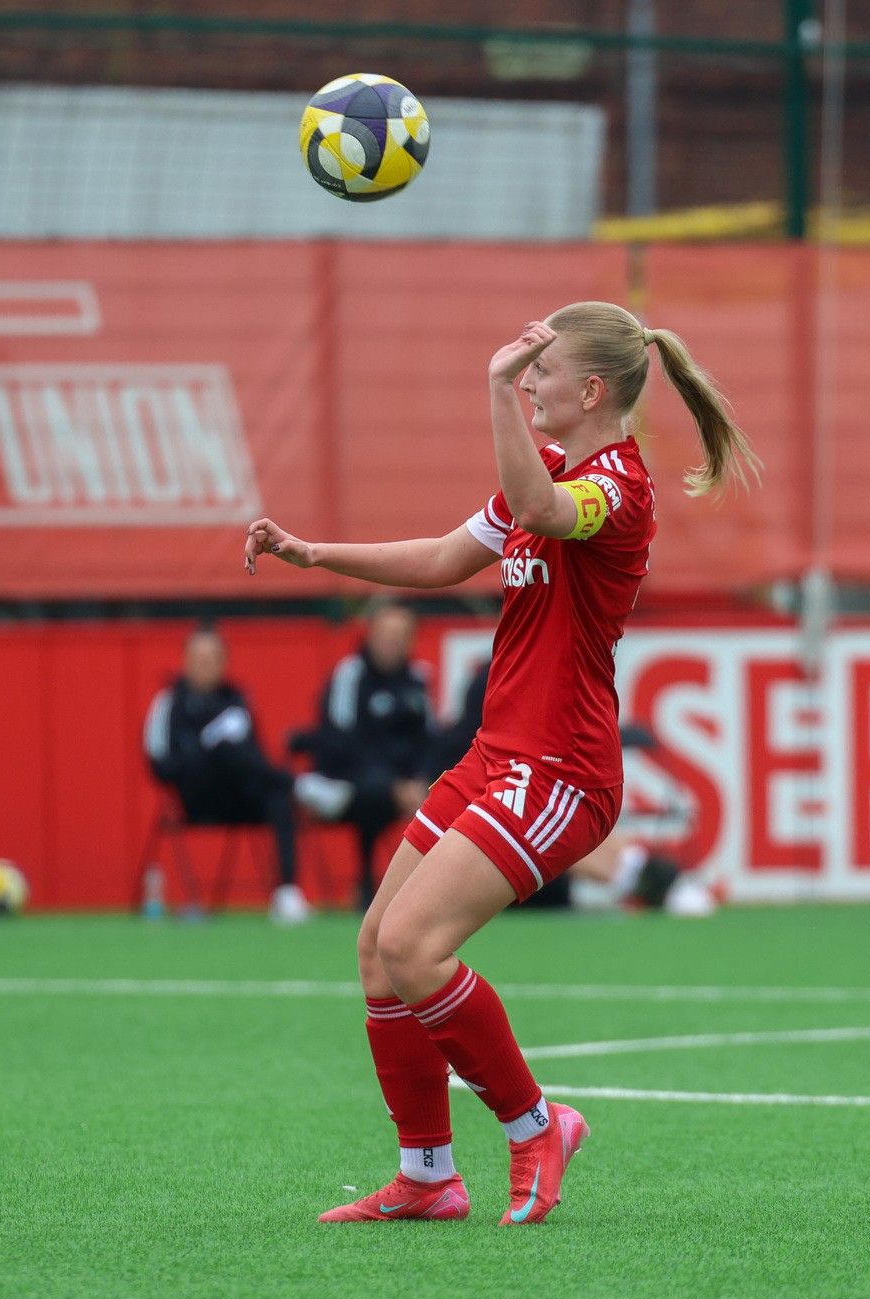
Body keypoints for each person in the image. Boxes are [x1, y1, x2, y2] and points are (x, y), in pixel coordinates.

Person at [245, 301, 757, 1224]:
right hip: (495, 755)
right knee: (376, 950)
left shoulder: (616, 489)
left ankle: (536, 1126)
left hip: (562, 771)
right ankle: (429, 1174)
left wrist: (490, 390)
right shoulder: (554, 464)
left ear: (591, 391)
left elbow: (539, 511)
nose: (528, 382)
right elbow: (446, 556)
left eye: (542, 371)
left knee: (414, 946)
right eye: (522, 370)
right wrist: (313, 553)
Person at [436, 658, 717, 916]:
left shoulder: (537, 736)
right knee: (548, 826)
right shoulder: (468, 745)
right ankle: (642, 879)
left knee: (568, 820)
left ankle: (642, 874)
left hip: (541, 875)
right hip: (491, 863)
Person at [142, 624, 311, 925]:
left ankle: (286, 891)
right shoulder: (169, 703)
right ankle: (300, 784)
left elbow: (253, 756)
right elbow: (159, 766)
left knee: (275, 794)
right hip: (197, 798)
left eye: (213, 659)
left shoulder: (237, 700)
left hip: (239, 795)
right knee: (225, 750)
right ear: (186, 661)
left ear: (224, 662)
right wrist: (205, 749)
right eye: (199, 659)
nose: (206, 666)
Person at [291, 599, 435, 907]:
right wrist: (392, 786)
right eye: (386, 636)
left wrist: (421, 782)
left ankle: (433, 894)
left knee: (448, 791)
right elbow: (343, 743)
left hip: (407, 785)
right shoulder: (350, 675)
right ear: (371, 635)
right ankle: (368, 885)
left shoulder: (418, 678)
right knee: (372, 795)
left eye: (400, 637)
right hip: (347, 781)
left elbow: (428, 741)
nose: (392, 645)